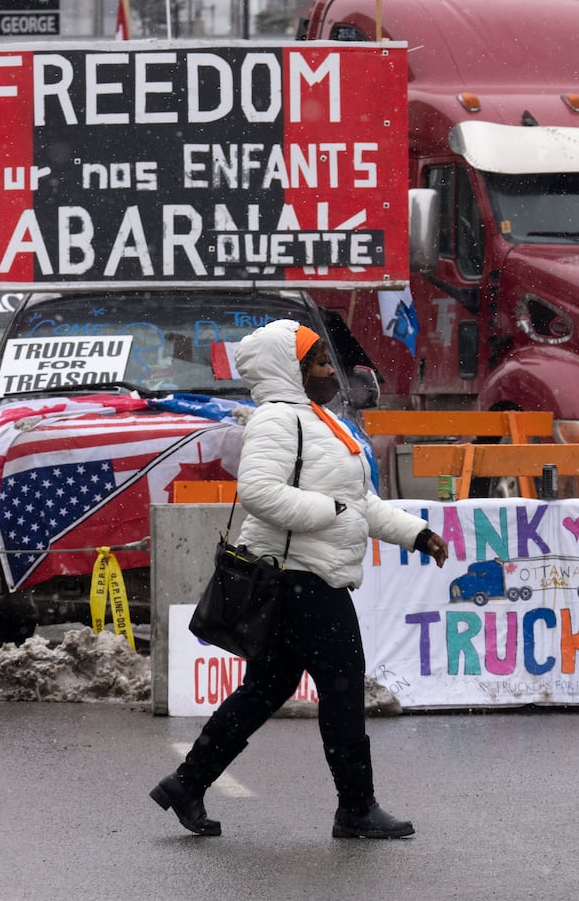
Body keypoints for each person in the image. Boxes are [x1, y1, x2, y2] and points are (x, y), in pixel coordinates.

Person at [152, 319, 448, 840]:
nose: (331, 372)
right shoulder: (278, 421)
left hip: (306, 574)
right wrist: (328, 509)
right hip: (297, 576)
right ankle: (356, 807)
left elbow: (361, 505)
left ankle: (187, 783)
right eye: (320, 364)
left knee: (266, 688)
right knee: (341, 685)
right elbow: (259, 491)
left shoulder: (316, 421)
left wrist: (416, 535)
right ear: (293, 369)